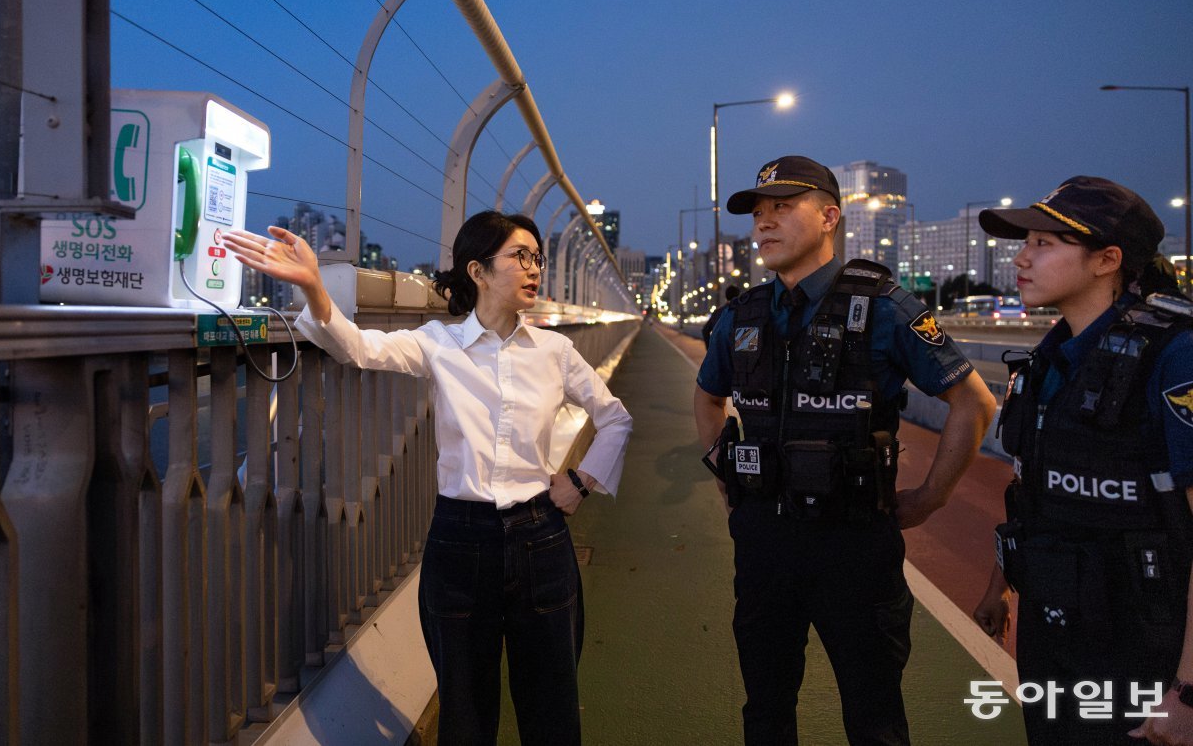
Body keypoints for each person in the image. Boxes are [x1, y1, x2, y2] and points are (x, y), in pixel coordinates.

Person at [224, 210, 632, 745]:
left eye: (538, 258)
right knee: (463, 708)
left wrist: (579, 483)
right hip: (461, 540)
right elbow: (359, 348)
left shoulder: (556, 352)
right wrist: (313, 286)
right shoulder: (439, 342)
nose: (535, 269)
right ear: (478, 271)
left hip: (540, 535)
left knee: (552, 703)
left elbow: (615, 418)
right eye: (520, 256)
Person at [693, 155, 996, 745]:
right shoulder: (743, 315)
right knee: (765, 708)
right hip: (763, 546)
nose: (764, 223)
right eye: (758, 212)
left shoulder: (883, 306)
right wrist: (727, 480)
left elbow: (974, 402)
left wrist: (932, 496)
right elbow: (707, 399)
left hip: (853, 544)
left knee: (874, 714)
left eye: (783, 207)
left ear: (830, 216)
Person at [970, 177, 1193, 745]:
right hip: (1053, 630)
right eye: (1026, 243)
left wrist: (1189, 688)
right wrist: (1001, 585)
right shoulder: (1048, 361)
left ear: (1107, 260)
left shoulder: (1174, 353)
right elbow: (1031, 492)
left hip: (1141, 647)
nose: (1020, 257)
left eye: (1044, 244)